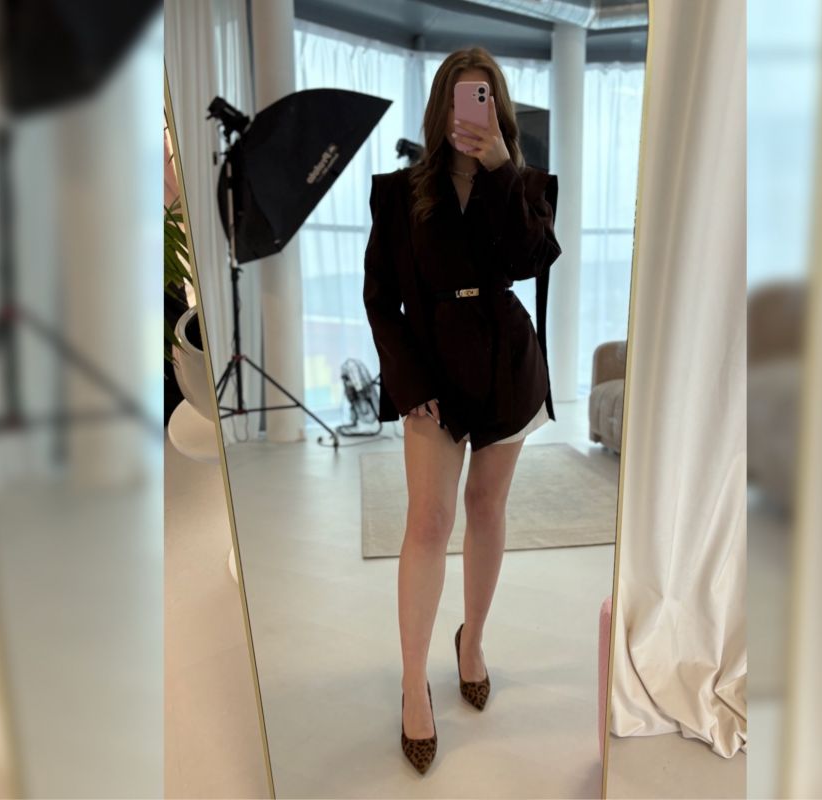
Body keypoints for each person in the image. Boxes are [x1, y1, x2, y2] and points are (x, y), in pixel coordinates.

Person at [362, 46, 561, 775]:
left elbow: (532, 260)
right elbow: (380, 297)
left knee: (486, 507)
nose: (469, 112)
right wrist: (408, 380)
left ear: (497, 108)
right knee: (429, 519)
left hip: (507, 361)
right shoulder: (399, 192)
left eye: (482, 98)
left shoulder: (525, 184)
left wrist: (503, 167)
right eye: (458, 97)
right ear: (441, 105)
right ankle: (414, 681)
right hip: (431, 365)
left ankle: (471, 639)